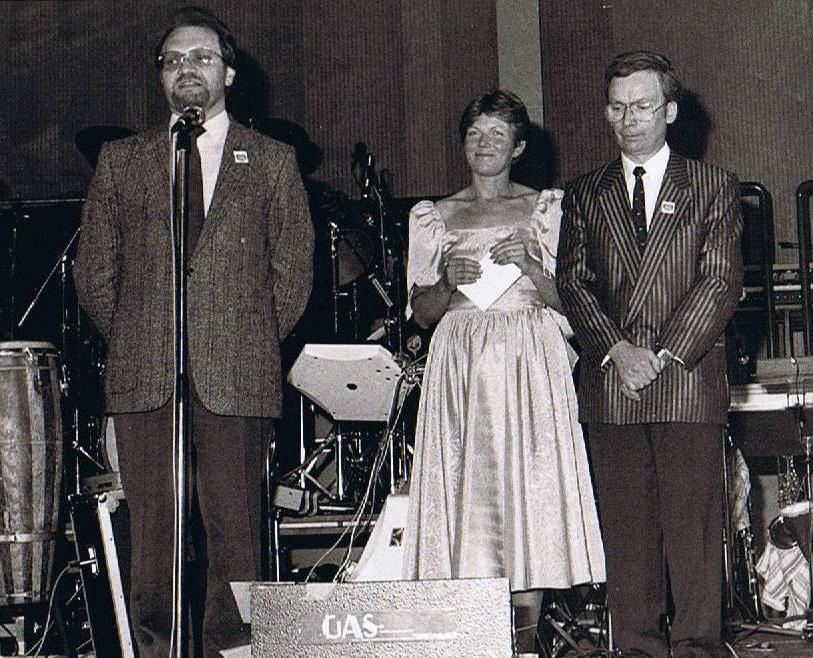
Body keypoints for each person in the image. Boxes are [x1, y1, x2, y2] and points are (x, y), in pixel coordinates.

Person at [73, 7, 313, 658]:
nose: (186, 70)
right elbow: (93, 268)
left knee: (235, 540)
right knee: (153, 544)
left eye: (201, 58)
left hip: (235, 381)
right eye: (173, 59)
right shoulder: (122, 161)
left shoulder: (270, 160)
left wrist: (243, 339)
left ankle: (232, 652)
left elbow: (292, 272)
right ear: (160, 76)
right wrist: (137, 337)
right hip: (145, 382)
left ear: (228, 73)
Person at [556, 51, 743, 658]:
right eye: (616, 107)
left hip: (685, 381)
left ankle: (696, 649)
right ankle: (634, 649)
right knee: (628, 540)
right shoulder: (584, 192)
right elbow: (574, 281)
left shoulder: (714, 186)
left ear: (669, 110)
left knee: (693, 539)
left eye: (641, 105)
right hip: (613, 386)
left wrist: (660, 354)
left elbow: (719, 282)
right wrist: (616, 349)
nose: (627, 118)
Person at [401, 90, 605, 606]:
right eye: (474, 133)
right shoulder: (433, 215)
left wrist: (533, 267)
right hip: (459, 362)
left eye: (497, 133)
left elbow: (574, 306)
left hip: (529, 358)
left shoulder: (546, 208)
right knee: (468, 492)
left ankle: (529, 631)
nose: (484, 143)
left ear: (517, 146)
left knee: (529, 491)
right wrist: (447, 284)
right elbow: (422, 314)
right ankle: (475, 628)